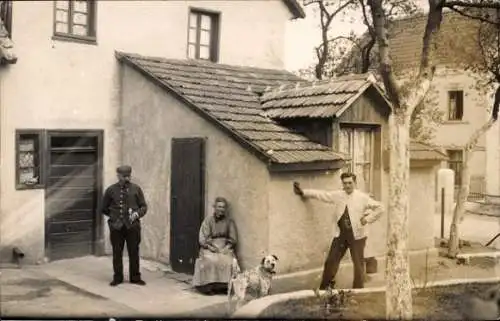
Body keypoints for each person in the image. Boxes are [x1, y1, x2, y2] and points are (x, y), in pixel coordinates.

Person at [293, 172, 384, 289]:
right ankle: (325, 289)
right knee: (331, 261)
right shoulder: (338, 195)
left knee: (358, 265)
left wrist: (367, 219)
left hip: (357, 236)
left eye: (350, 183)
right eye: (345, 183)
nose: (347, 186)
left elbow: (380, 208)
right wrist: (304, 192)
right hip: (341, 235)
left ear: (355, 183)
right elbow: (322, 195)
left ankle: (358, 292)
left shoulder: (362, 197)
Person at [102, 165, 148, 286]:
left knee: (134, 252)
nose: (126, 178)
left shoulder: (136, 189)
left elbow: (144, 206)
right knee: (117, 253)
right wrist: (113, 219)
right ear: (118, 176)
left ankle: (135, 277)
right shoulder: (111, 190)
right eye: (123, 176)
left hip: (133, 227)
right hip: (116, 228)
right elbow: (103, 208)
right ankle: (117, 278)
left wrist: (137, 214)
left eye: (128, 176)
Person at [192, 197, 238, 295]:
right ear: (215, 207)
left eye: (223, 207)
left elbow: (233, 239)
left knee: (228, 260)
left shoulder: (229, 222)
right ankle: (207, 286)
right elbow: (202, 238)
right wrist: (210, 247)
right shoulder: (208, 221)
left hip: (225, 247)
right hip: (209, 247)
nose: (221, 209)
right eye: (219, 206)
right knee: (210, 260)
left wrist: (226, 248)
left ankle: (224, 287)